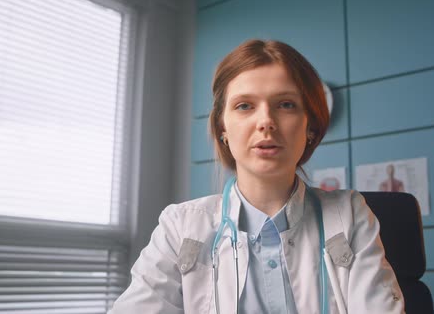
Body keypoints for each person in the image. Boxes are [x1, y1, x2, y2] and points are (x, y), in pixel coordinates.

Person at [109, 40, 404, 313]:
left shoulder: (349, 215)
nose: (266, 121)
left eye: (286, 104)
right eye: (244, 106)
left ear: (310, 126)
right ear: (222, 129)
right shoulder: (179, 226)